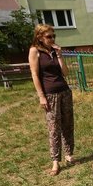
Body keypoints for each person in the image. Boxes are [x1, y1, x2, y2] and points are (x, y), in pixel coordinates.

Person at [29, 24, 75, 176]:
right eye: (49, 36)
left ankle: (69, 154)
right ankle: (55, 162)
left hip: (65, 91)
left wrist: (60, 55)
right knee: (54, 128)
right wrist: (41, 96)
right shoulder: (35, 51)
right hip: (50, 95)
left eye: (53, 36)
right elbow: (35, 75)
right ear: (40, 37)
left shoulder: (55, 51)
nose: (52, 39)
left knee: (68, 124)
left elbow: (65, 73)